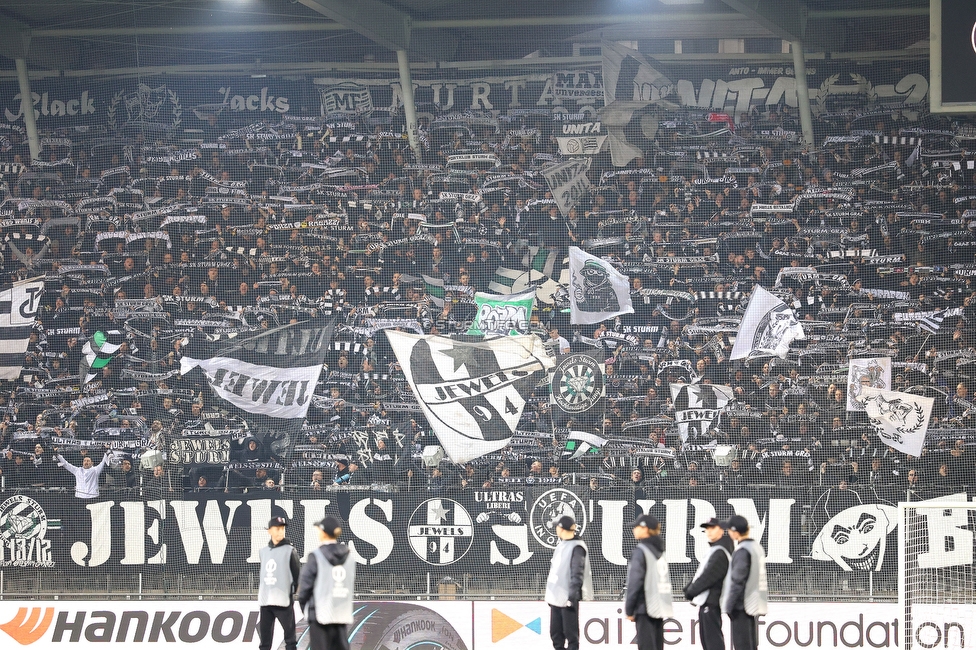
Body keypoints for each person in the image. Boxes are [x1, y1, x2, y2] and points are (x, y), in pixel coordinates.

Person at [297, 515, 356, 650]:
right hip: (341, 614)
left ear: (323, 532)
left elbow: (304, 588)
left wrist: (307, 609)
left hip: (320, 614)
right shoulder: (349, 557)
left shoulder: (316, 556)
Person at [624, 514, 673, 650]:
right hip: (659, 606)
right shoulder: (660, 551)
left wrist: (629, 608)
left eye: (636, 527)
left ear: (645, 529)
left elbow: (635, 581)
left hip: (644, 607)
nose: (634, 529)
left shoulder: (641, 551)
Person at [683, 518, 733, 650]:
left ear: (721, 530)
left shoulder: (720, 552)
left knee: (712, 642)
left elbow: (708, 576)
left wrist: (691, 591)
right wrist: (689, 588)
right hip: (707, 602)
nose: (709, 531)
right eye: (707, 529)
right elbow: (703, 573)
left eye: (712, 528)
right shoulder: (716, 549)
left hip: (711, 602)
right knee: (708, 641)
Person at [544, 515, 593, 650]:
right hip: (556, 597)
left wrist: (572, 596)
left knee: (571, 635)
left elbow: (577, 573)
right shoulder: (562, 545)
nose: (556, 529)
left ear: (562, 528)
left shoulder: (577, 547)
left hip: (567, 597)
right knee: (556, 635)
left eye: (557, 527)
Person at [722, 515, 768, 650]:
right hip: (754, 602)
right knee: (751, 644)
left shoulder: (743, 550)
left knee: (742, 645)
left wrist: (729, 605)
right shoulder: (756, 547)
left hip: (742, 605)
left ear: (735, 532)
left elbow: (738, 580)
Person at [258, 516, 301, 650]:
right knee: (264, 642)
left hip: (283, 602)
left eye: (282, 529)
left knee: (290, 640)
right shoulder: (263, 551)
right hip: (266, 602)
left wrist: (292, 592)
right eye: (277, 529)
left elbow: (297, 576)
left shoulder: (290, 550)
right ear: (269, 531)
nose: (280, 531)